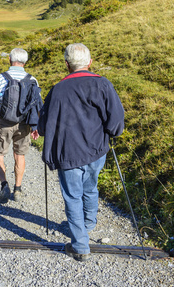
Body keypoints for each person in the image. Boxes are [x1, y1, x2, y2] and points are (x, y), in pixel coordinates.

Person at [38, 43, 124, 262]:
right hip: (96, 151)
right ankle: (88, 224)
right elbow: (116, 122)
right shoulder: (103, 84)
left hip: (68, 154)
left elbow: (43, 124)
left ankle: (80, 245)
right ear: (90, 62)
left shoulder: (58, 89)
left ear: (67, 64)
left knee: (72, 197)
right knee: (91, 188)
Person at [0, 48, 40, 204]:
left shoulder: (0, 78)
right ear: (25, 62)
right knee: (20, 155)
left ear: (10, 60)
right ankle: (17, 189)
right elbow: (35, 105)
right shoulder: (32, 79)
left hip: (4, 122)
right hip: (25, 124)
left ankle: (4, 184)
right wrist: (36, 127)